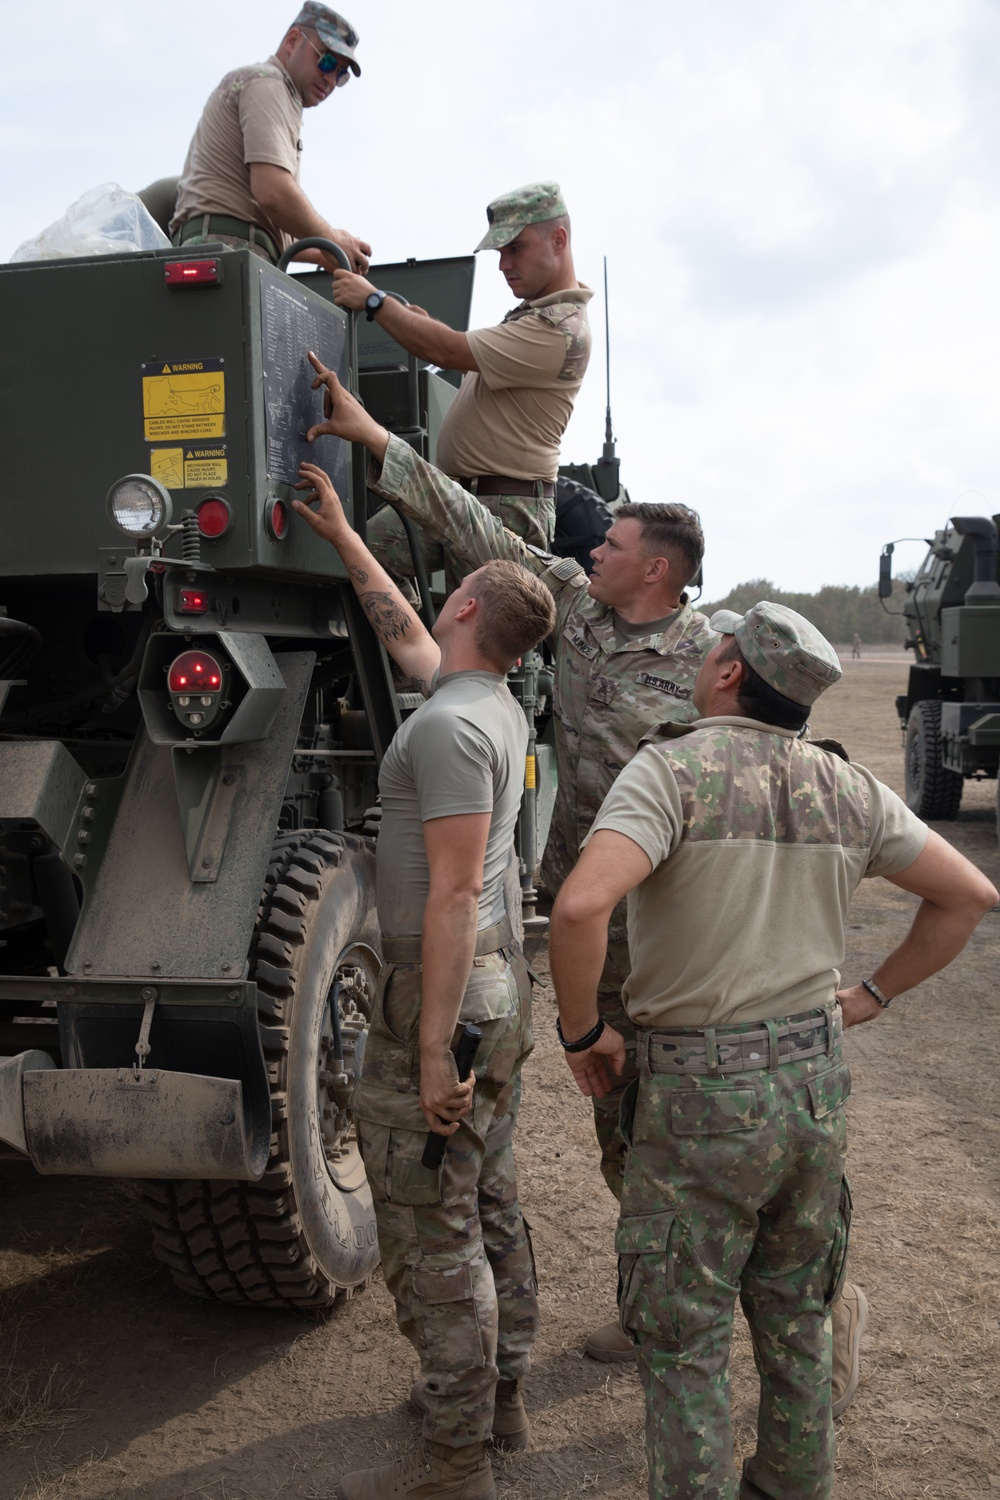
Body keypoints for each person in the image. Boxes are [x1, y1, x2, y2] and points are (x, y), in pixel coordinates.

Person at [301, 355, 870, 1407]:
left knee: (730, 1135)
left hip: (686, 934)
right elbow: (477, 533)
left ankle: (819, 1328)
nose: (588, 550)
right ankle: (653, 1301)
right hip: (588, 926)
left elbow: (783, 778)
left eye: (608, 544)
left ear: (658, 569)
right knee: (625, 1128)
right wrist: (374, 444)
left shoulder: (720, 655)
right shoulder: (573, 607)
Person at [548, 602, 998, 1500]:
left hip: (699, 1095)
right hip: (812, 1083)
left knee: (684, 1341)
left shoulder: (672, 771)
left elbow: (578, 908)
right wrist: (873, 993)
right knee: (798, 1318)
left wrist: (582, 1032)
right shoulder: (848, 787)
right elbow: (969, 894)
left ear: (724, 673)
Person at [292, 460, 555, 1500]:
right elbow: (408, 634)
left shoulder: (446, 727)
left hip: (444, 994)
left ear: (465, 608)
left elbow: (449, 896)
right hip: (496, 985)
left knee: (428, 1226)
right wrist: (346, 538)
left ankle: (459, 1461)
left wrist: (434, 1045)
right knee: (484, 1191)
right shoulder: (488, 701)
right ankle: (500, 1399)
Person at [331, 181, 592, 564]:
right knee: (360, 556)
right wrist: (409, 321)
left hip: (505, 510)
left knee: (481, 621)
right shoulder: (535, 315)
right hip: (462, 497)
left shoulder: (559, 329)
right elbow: (456, 349)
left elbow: (446, 349)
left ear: (559, 239)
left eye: (515, 249)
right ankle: (410, 626)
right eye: (501, 252)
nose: (504, 265)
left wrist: (375, 301)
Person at [170, 4, 371, 274]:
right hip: (228, 252)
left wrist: (322, 253)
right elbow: (273, 193)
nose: (331, 79)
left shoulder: (273, 90)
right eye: (327, 61)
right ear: (292, 41)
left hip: (225, 250)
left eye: (341, 74)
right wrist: (331, 239)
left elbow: (263, 216)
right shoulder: (269, 83)